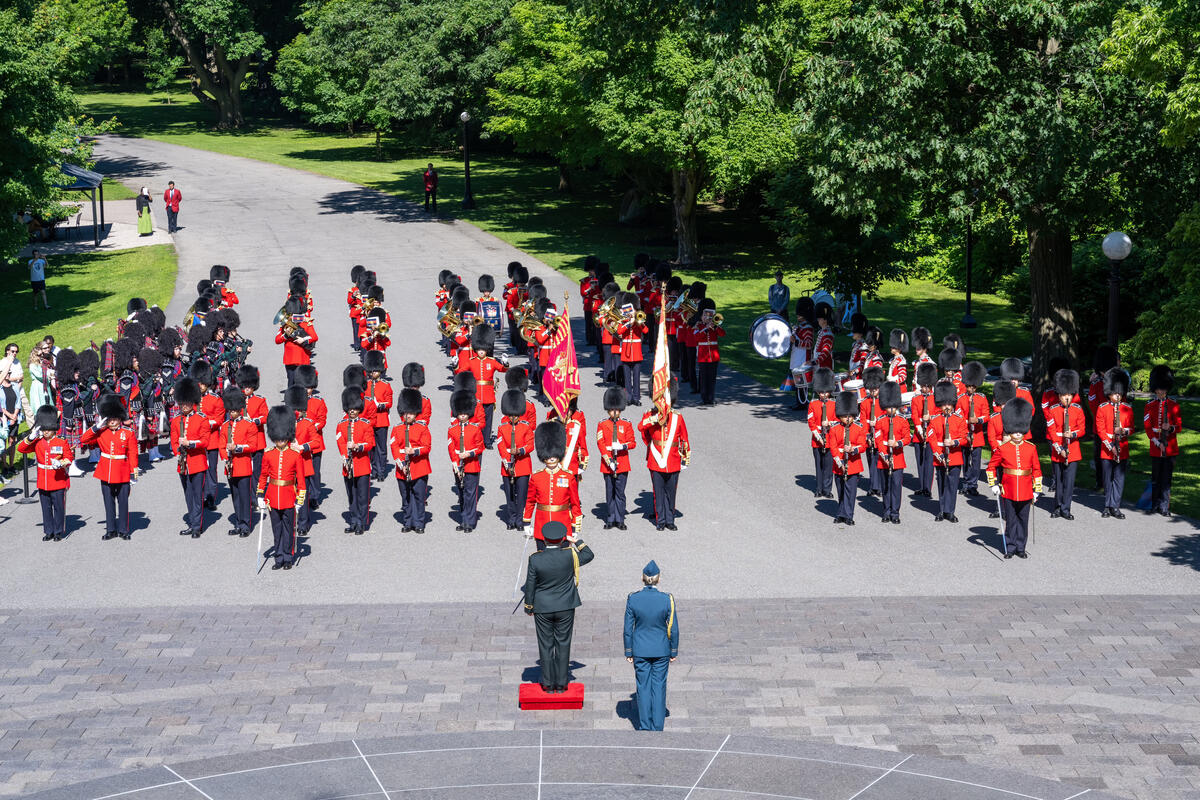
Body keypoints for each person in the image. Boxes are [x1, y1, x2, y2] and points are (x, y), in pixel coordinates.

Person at [523, 520, 594, 694]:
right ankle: (562, 683)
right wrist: (575, 540)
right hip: (565, 605)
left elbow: (530, 584)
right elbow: (589, 554)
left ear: (545, 540)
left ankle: (548, 683)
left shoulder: (535, 558)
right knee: (563, 643)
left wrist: (529, 606)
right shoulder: (570, 555)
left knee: (545, 644)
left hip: (543, 606)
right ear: (562, 538)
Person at [624, 560, 679, 731]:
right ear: (658, 579)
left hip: (640, 648)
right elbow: (673, 628)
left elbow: (628, 627)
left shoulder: (633, 598)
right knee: (659, 686)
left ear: (643, 578)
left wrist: (628, 650)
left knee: (643, 687)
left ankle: (645, 725)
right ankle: (657, 725)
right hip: (661, 648)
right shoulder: (666, 599)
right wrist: (673, 649)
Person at [986, 397, 1042, 559]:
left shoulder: (1031, 449)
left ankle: (1020, 547)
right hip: (1008, 490)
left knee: (1023, 521)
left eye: (1020, 431)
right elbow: (991, 467)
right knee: (1010, 520)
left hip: (1025, 491)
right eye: (1015, 431)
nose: (1017, 434)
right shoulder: (1003, 449)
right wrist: (994, 484)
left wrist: (1037, 490)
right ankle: (1010, 546)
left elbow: (1037, 470)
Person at [80, 394, 139, 540]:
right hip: (105, 471)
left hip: (123, 471)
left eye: (115, 419)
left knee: (123, 502)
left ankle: (124, 530)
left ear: (120, 419)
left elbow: (132, 453)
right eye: (109, 419)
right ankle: (111, 529)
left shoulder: (128, 433)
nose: (112, 422)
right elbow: (83, 439)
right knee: (108, 502)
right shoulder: (101, 432)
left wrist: (134, 472)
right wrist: (96, 427)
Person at [257, 406, 305, 570]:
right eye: (277, 438)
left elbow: (301, 480)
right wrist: (260, 495)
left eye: (282, 438)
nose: (280, 441)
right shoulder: (268, 454)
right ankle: (279, 557)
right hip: (272, 497)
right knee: (276, 529)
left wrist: (300, 499)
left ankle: (288, 556)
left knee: (288, 529)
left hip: (289, 496)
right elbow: (263, 476)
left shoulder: (295, 454)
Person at [637, 382, 689, 531]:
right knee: (658, 492)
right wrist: (652, 420)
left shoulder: (677, 417)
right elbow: (642, 429)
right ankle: (660, 520)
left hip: (673, 459)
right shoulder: (650, 415)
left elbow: (684, 438)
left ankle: (670, 519)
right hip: (656, 458)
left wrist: (684, 458)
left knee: (671, 492)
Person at [16, 405, 72, 541]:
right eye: (44, 429)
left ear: (54, 428)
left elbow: (69, 458)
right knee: (46, 508)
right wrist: (31, 437)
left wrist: (61, 463)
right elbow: (22, 449)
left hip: (57, 480)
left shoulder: (61, 441)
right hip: (43, 480)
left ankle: (58, 531)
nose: (46, 431)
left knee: (59, 507)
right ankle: (49, 531)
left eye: (49, 429)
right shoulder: (37, 442)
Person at [524, 421, 581, 546]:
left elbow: (575, 503)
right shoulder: (536, 477)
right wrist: (527, 522)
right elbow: (530, 501)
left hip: (563, 526)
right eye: (548, 455)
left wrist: (575, 527)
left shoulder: (568, 476)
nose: (551, 458)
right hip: (541, 526)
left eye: (554, 454)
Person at [171, 378, 211, 538]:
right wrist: (178, 451)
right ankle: (192, 523)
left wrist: (191, 443)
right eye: (182, 403)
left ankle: (197, 526)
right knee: (188, 495)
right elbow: (174, 441)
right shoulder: (176, 421)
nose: (184, 406)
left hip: (198, 462)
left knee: (197, 495)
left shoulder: (202, 419)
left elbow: (205, 441)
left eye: (187, 402)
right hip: (183, 463)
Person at [1045, 369, 1085, 521]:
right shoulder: (1052, 410)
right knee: (1059, 480)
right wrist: (1059, 449)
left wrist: (1073, 434)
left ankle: (1066, 508)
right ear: (1059, 396)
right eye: (1063, 395)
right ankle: (1057, 507)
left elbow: (1082, 429)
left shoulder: (1078, 410)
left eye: (1068, 395)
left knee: (1069, 482)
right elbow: (1052, 432)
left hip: (1073, 449)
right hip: (1058, 450)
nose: (1066, 398)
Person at [391, 389, 432, 533]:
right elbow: (394, 445)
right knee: (406, 497)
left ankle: (419, 522)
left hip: (419, 467)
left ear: (415, 413)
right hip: (402, 468)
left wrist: (414, 451)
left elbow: (427, 447)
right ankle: (408, 521)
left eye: (411, 413)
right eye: (406, 413)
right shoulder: (397, 428)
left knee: (419, 497)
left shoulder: (422, 428)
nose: (408, 416)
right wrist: (400, 462)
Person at [1095, 367, 1133, 519]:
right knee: (1107, 478)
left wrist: (1124, 431)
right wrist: (1110, 446)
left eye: (1119, 393)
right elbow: (1100, 430)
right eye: (1114, 393)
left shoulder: (1127, 409)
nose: (1117, 396)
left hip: (1122, 447)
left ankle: (1115, 506)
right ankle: (1106, 505)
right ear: (1109, 393)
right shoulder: (1102, 408)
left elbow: (1131, 428)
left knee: (1119, 478)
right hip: (1107, 448)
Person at [220, 386, 258, 537]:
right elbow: (221, 444)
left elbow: (253, 445)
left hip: (243, 466)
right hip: (231, 467)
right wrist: (226, 455)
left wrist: (238, 448)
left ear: (239, 409)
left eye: (234, 410)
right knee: (235, 496)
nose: (232, 413)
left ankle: (246, 524)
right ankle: (238, 522)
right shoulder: (225, 426)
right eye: (230, 410)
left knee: (244, 496)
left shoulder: (249, 425)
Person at [927, 380, 967, 523]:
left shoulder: (959, 420)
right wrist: (939, 454)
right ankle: (942, 509)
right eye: (944, 404)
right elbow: (931, 438)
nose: (947, 407)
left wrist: (953, 442)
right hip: (940, 457)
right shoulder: (935, 420)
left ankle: (950, 511)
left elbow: (964, 438)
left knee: (952, 484)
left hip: (954, 456)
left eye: (949, 404)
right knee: (942, 483)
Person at [597, 387, 636, 529]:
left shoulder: (626, 424)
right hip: (608, 463)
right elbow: (600, 443)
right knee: (609, 492)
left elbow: (633, 443)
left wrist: (622, 446)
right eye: (612, 410)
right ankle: (610, 518)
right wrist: (608, 459)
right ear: (608, 410)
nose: (614, 412)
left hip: (622, 463)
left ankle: (620, 519)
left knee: (620, 493)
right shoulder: (602, 424)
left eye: (617, 410)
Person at [1145, 365, 1181, 518]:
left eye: (1163, 389)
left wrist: (1170, 428)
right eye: (1159, 389)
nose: (1161, 392)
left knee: (1167, 478)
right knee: (1156, 477)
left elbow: (1178, 426)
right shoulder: (1149, 406)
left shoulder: (1173, 405)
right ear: (1155, 389)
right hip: (1155, 446)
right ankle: (1154, 504)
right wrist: (1155, 441)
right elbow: (1147, 427)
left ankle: (1164, 506)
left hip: (1170, 446)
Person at [337, 387, 374, 535]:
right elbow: (340, 441)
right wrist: (345, 455)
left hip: (362, 465)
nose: (352, 410)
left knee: (362, 497)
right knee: (351, 496)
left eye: (355, 408)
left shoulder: (365, 424)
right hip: (348, 466)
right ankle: (353, 521)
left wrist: (358, 446)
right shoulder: (341, 424)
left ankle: (361, 523)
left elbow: (370, 443)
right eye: (350, 408)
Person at [496, 389, 534, 531]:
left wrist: (519, 451)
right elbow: (500, 445)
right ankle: (511, 519)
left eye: (516, 415)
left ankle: (520, 520)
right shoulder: (502, 428)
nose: (513, 417)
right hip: (507, 466)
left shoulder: (526, 427)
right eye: (511, 415)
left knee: (522, 495)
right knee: (510, 495)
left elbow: (530, 445)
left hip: (523, 465)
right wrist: (507, 461)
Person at [448, 389, 485, 532]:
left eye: (464, 413)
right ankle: (464, 520)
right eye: (460, 414)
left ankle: (470, 521)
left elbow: (480, 447)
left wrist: (468, 454)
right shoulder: (452, 430)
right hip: (458, 466)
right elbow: (451, 448)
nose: (462, 416)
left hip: (471, 466)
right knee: (462, 493)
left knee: (470, 494)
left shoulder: (475, 429)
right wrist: (456, 462)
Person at [874, 381, 910, 524]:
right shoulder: (880, 421)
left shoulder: (902, 421)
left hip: (898, 458)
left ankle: (895, 512)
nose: (891, 409)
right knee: (886, 487)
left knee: (896, 487)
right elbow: (878, 440)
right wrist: (884, 455)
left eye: (893, 407)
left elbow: (907, 438)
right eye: (888, 407)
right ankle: (886, 511)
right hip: (884, 459)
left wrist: (897, 443)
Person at [828, 390, 866, 526]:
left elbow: (863, 445)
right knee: (841, 490)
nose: (848, 419)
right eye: (844, 416)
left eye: (850, 416)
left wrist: (852, 449)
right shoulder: (834, 429)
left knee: (851, 491)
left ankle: (849, 515)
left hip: (853, 464)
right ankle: (841, 513)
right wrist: (839, 461)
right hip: (839, 465)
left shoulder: (859, 428)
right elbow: (832, 447)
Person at [955, 361, 989, 496]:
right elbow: (958, 416)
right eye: (968, 386)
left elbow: (986, 415)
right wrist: (965, 427)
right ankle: (966, 482)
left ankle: (973, 484)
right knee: (965, 460)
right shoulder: (961, 399)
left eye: (972, 387)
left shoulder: (982, 398)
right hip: (965, 434)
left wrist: (978, 420)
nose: (970, 389)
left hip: (978, 434)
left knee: (975, 462)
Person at [807, 368, 836, 499]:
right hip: (817, 438)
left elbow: (837, 420)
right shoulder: (813, 404)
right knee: (819, 465)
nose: (824, 394)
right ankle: (819, 488)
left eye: (826, 392)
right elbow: (811, 420)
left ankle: (827, 489)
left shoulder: (834, 405)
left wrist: (829, 424)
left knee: (829, 466)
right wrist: (817, 434)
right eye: (822, 392)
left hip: (830, 438)